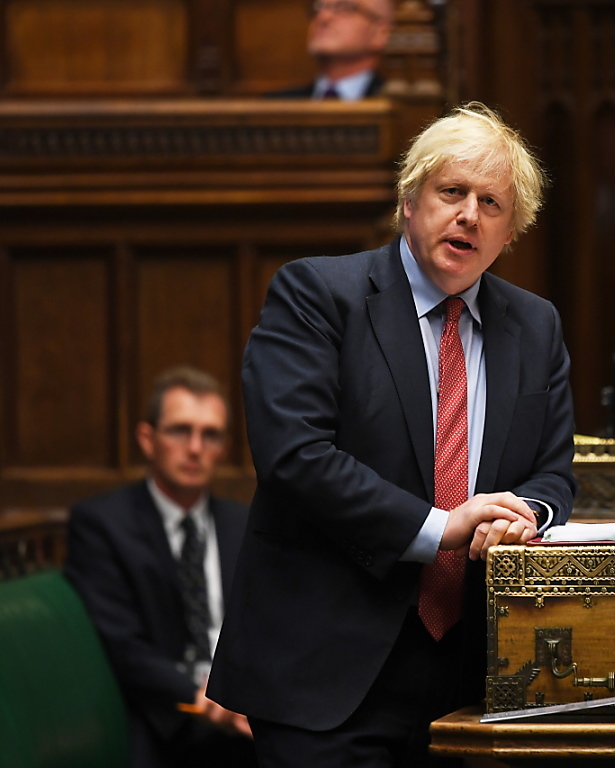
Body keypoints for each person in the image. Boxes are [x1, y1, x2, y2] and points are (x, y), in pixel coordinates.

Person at [207, 102, 578, 767]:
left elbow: (553, 475)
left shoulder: (536, 326)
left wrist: (522, 516)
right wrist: (443, 529)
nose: (469, 214)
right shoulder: (318, 294)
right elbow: (296, 456)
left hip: (473, 678)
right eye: (451, 192)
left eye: (491, 203)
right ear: (411, 201)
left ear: (510, 233)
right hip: (325, 673)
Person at [64, 367, 256, 768]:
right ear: (147, 439)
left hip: (249, 713)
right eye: (180, 430)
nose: (195, 448)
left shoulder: (245, 525)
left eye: (211, 435)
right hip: (167, 719)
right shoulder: (102, 524)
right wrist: (199, 695)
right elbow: (120, 641)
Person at [267, 0, 394, 100]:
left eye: (343, 7)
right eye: (319, 7)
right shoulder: (274, 107)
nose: (323, 17)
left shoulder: (400, 107)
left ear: (380, 33)